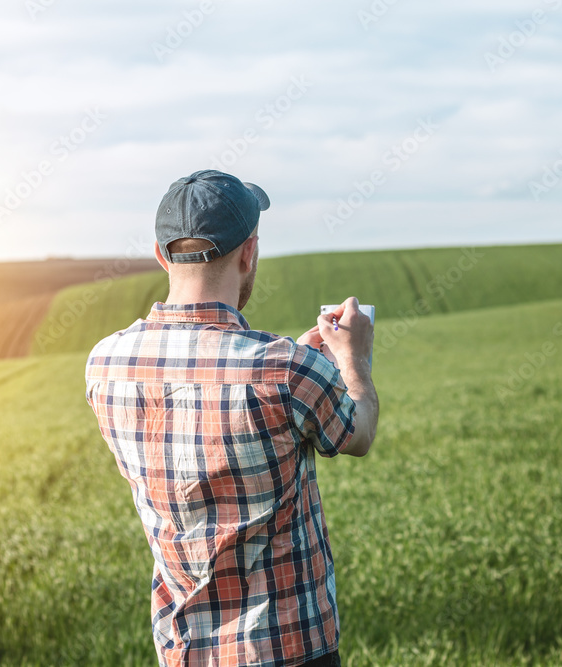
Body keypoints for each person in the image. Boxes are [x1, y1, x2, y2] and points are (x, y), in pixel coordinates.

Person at [84, 169, 379, 667]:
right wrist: (353, 361)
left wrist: (292, 364)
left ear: (162, 255)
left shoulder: (106, 363)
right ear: (249, 253)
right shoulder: (287, 371)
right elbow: (359, 432)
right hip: (289, 647)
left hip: (184, 650)